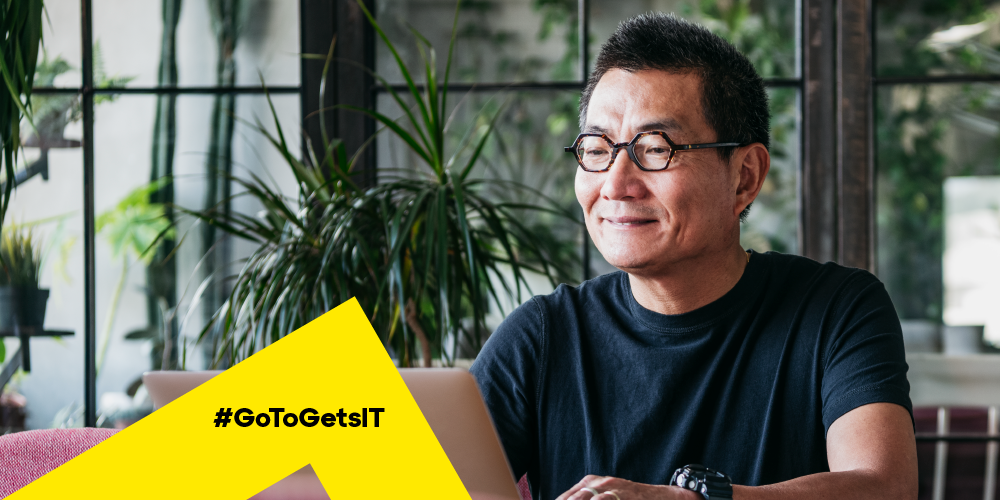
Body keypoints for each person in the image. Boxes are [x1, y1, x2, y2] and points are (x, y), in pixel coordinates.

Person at [469, 13, 917, 500]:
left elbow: (884, 487)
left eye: (655, 148)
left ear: (744, 177)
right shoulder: (543, 337)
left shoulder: (836, 309)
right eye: (597, 149)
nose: (615, 184)